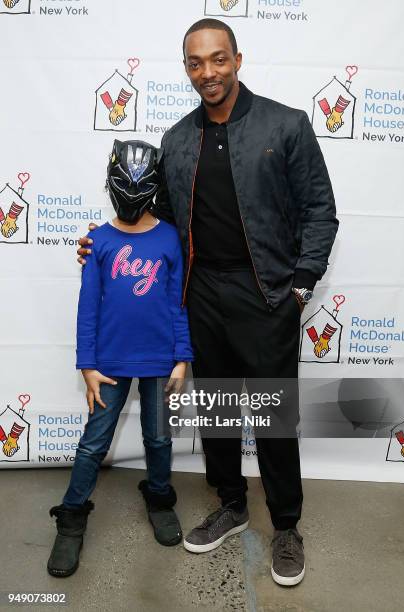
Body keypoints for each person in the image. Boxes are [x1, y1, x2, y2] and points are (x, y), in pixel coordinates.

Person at [77, 20, 338, 587]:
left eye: (218, 60)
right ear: (187, 68)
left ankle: (287, 525)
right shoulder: (176, 140)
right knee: (218, 411)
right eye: (196, 63)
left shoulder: (286, 125)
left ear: (237, 60)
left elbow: (320, 211)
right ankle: (231, 502)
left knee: (271, 417)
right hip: (201, 294)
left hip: (266, 292)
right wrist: (105, 243)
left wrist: (299, 287)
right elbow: (160, 226)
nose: (208, 73)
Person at [48, 139, 193, 578]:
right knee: (94, 443)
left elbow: (178, 303)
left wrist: (182, 357)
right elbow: (87, 307)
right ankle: (72, 517)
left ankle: (160, 497)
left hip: (159, 363)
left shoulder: (169, 237)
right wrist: (88, 366)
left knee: (160, 440)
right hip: (109, 366)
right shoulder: (98, 241)